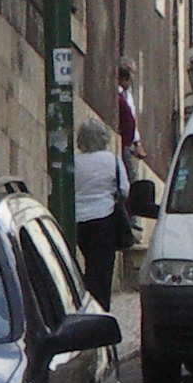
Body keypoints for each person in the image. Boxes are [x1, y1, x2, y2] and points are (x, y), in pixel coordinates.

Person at [73, 110, 128, 309]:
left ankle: (86, 301)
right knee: (102, 271)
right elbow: (124, 190)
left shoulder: (74, 162)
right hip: (105, 219)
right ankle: (100, 309)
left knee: (88, 264)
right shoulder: (113, 160)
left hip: (79, 221)